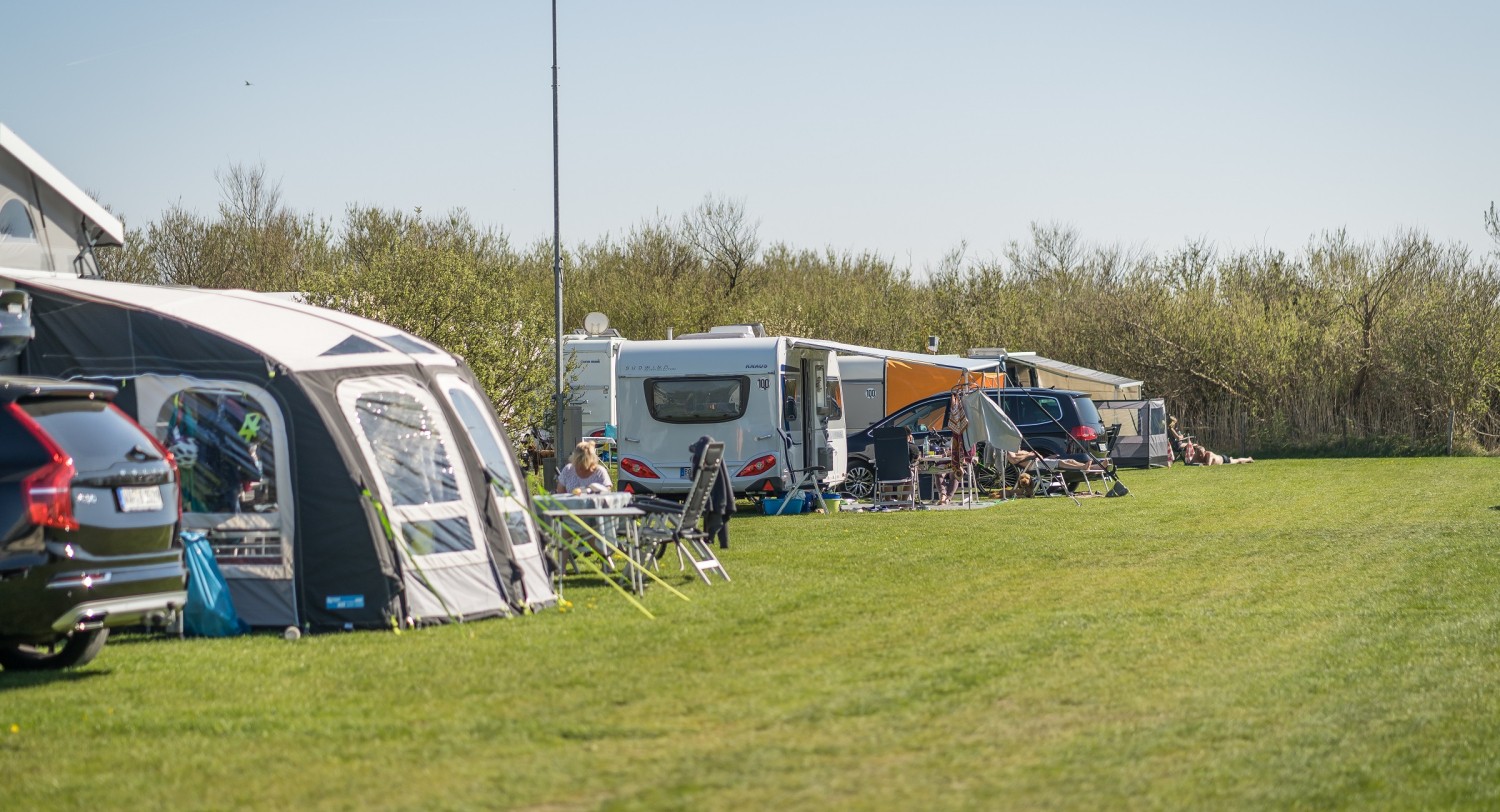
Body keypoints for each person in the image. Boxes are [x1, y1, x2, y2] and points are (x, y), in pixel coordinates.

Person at [689, 435, 734, 549]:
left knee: (712, 506)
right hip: (720, 500)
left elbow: (693, 476)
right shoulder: (716, 467)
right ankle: (723, 544)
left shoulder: (702, 471)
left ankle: (710, 540)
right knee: (717, 507)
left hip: (706, 505)